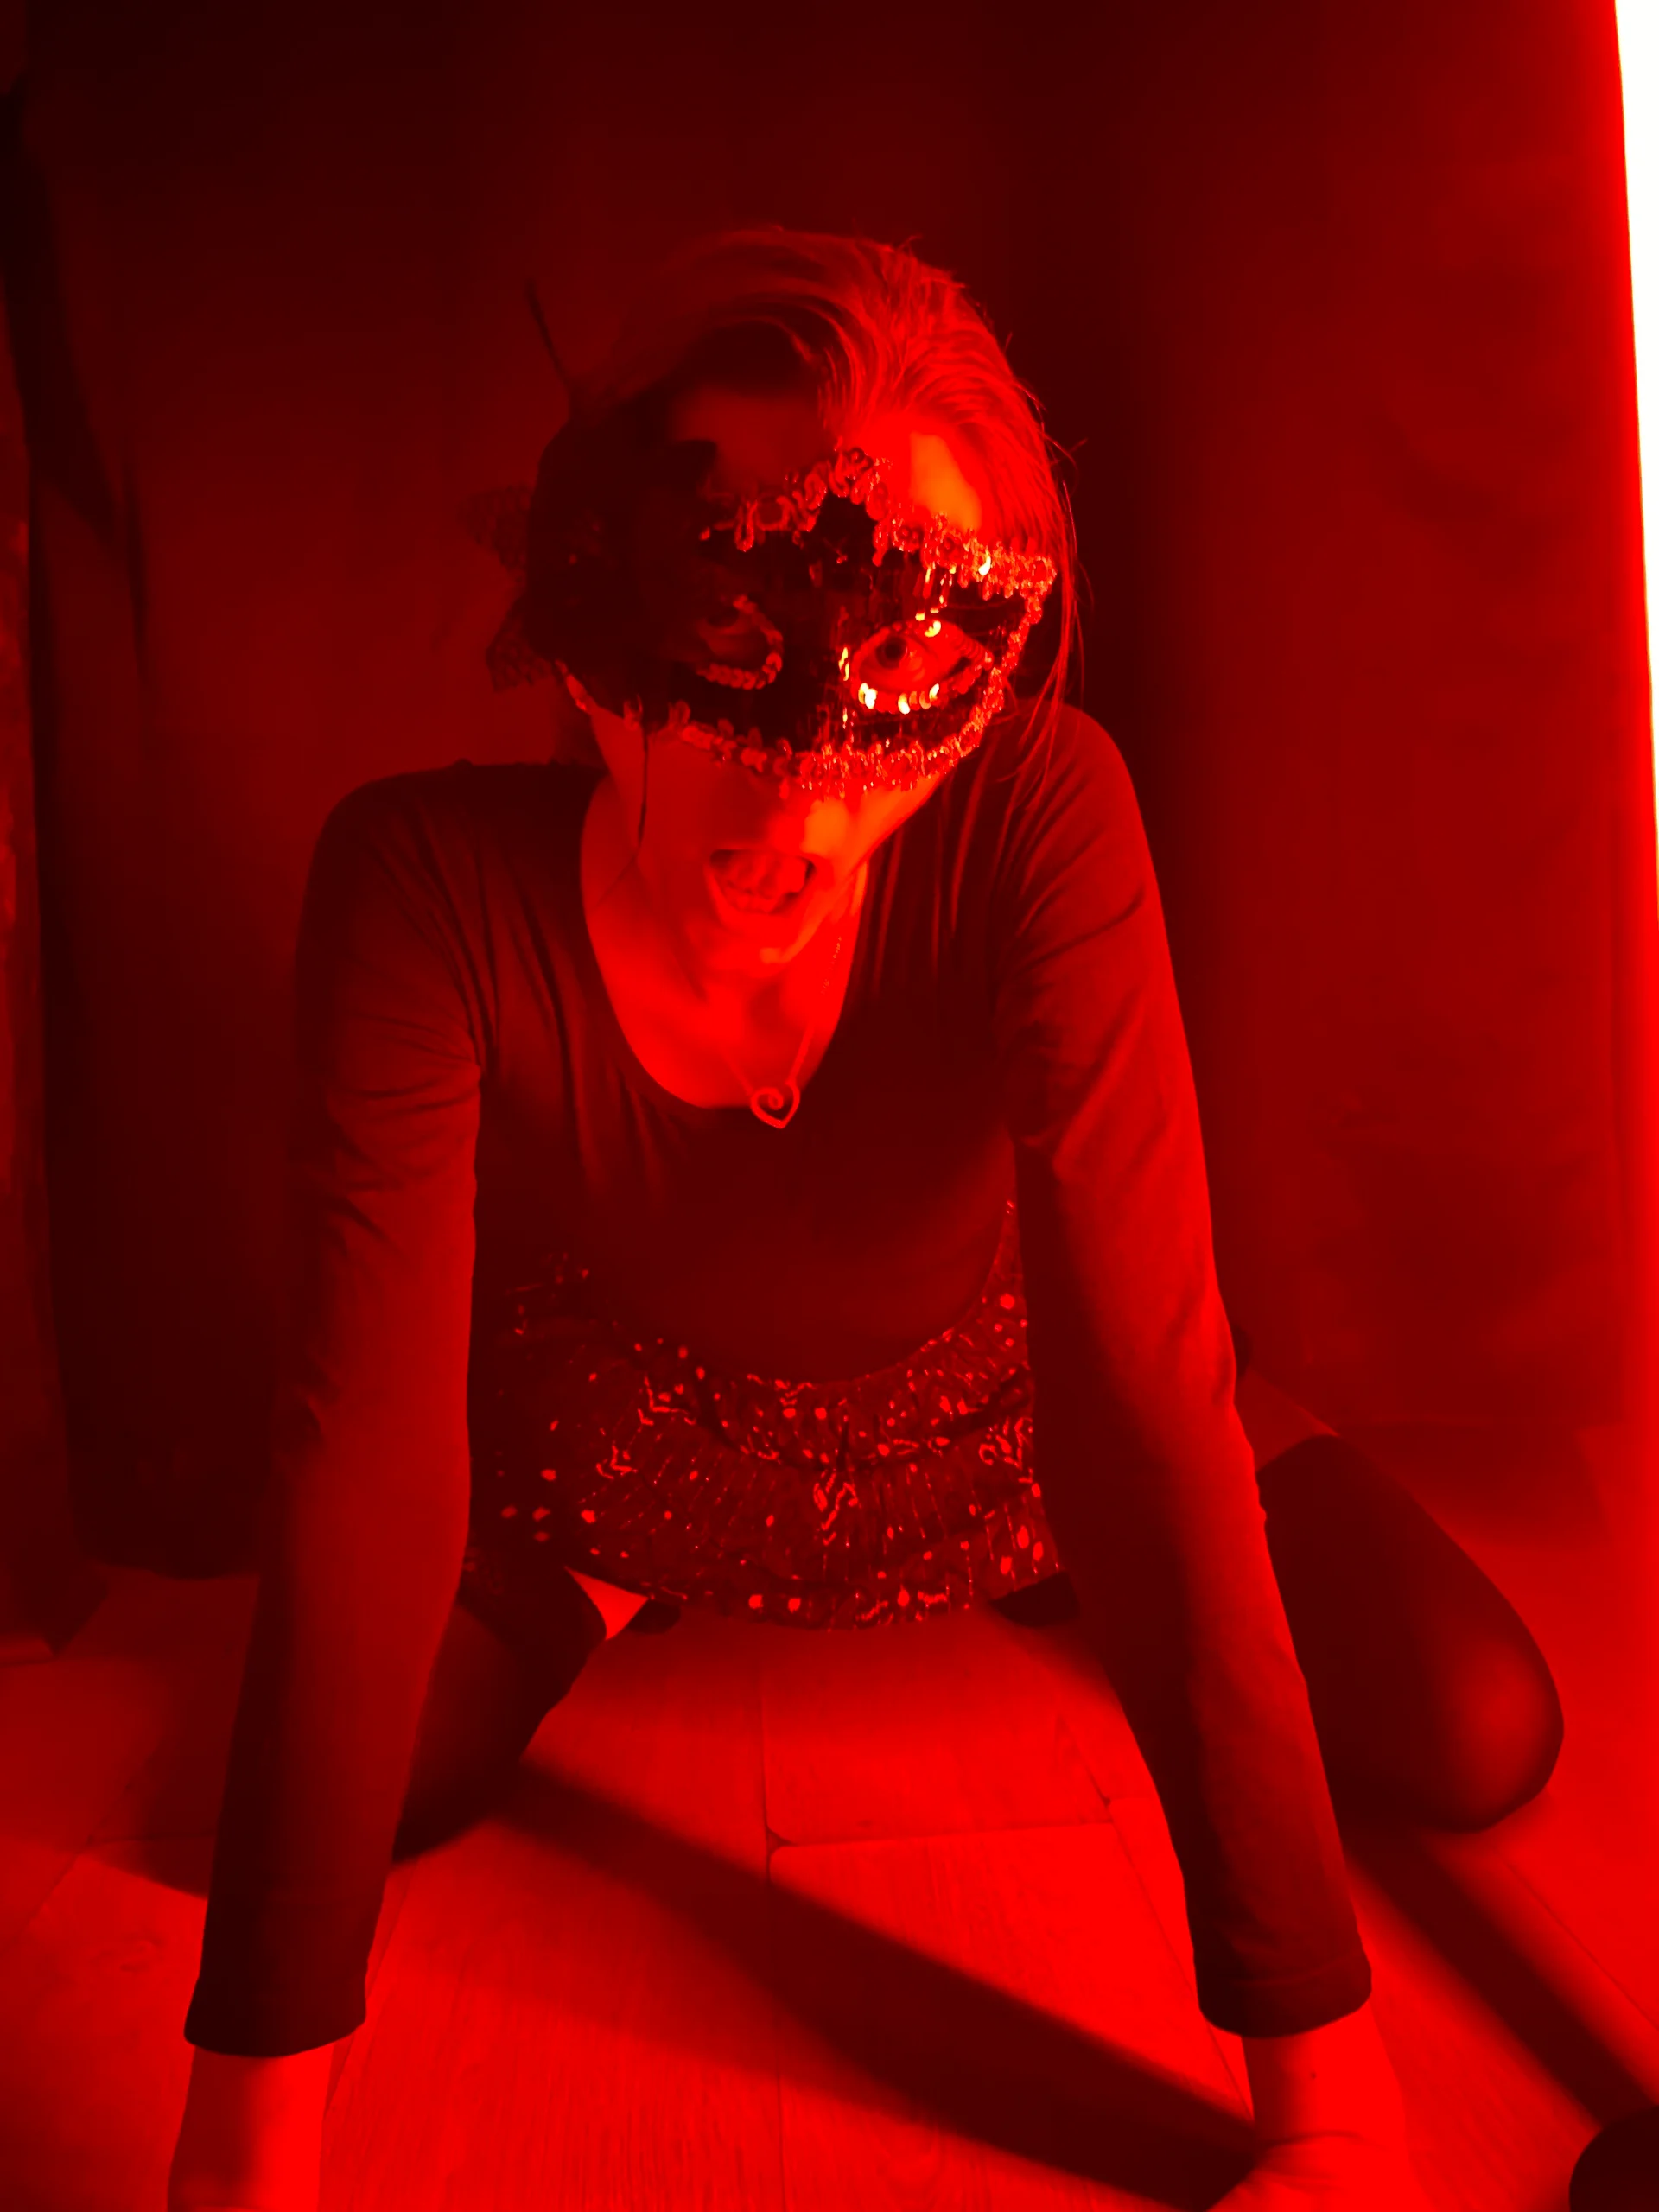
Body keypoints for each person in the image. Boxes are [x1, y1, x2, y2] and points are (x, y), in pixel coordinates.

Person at [166, 228, 1564, 2212]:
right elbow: (361, 1451)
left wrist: (1328, 2111)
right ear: (588, 605)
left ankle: (1036, 1588)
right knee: (331, 1779)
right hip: (630, 1444)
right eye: (727, 632)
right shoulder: (424, 884)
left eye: (903, 676)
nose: (803, 810)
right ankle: (612, 1586)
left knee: (1479, 1722)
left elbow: (1141, 1388)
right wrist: (240, 2159)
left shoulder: (1043, 815)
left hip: (1010, 1425)